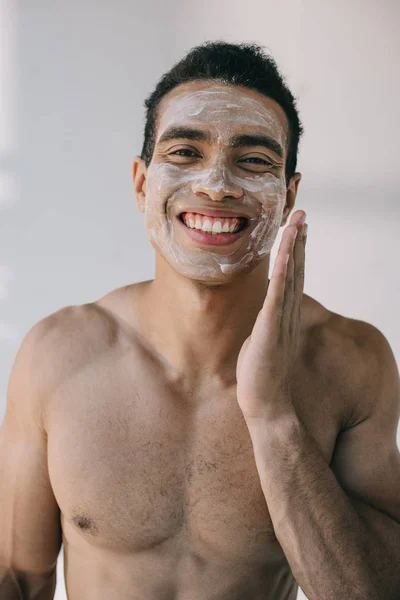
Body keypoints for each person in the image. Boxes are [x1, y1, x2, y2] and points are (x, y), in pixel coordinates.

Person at [1, 41, 399, 600]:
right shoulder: (58, 354)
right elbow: (20, 579)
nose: (216, 185)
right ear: (142, 184)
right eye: (186, 152)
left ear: (286, 197)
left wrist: (273, 416)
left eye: (254, 160)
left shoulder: (352, 361)